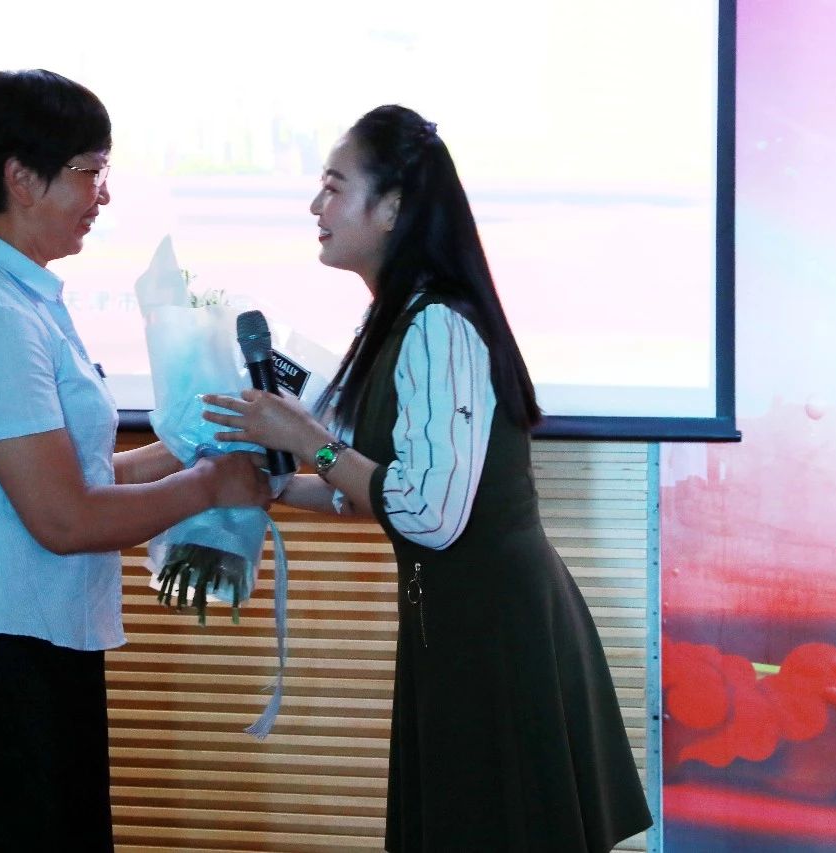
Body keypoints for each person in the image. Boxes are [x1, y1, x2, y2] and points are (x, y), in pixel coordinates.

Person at [202, 105, 653, 851]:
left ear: (393, 208)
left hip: (497, 635)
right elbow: (380, 487)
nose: (315, 207)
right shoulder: (400, 319)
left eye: (333, 187)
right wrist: (276, 485)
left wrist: (307, 441)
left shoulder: (438, 324)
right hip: (455, 629)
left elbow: (427, 512)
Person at [0, 69, 270, 852]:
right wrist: (208, 483)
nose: (103, 194)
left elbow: (88, 477)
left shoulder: (22, 298)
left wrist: (199, 446)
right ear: (21, 179)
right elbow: (64, 517)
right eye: (90, 171)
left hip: (31, 636)